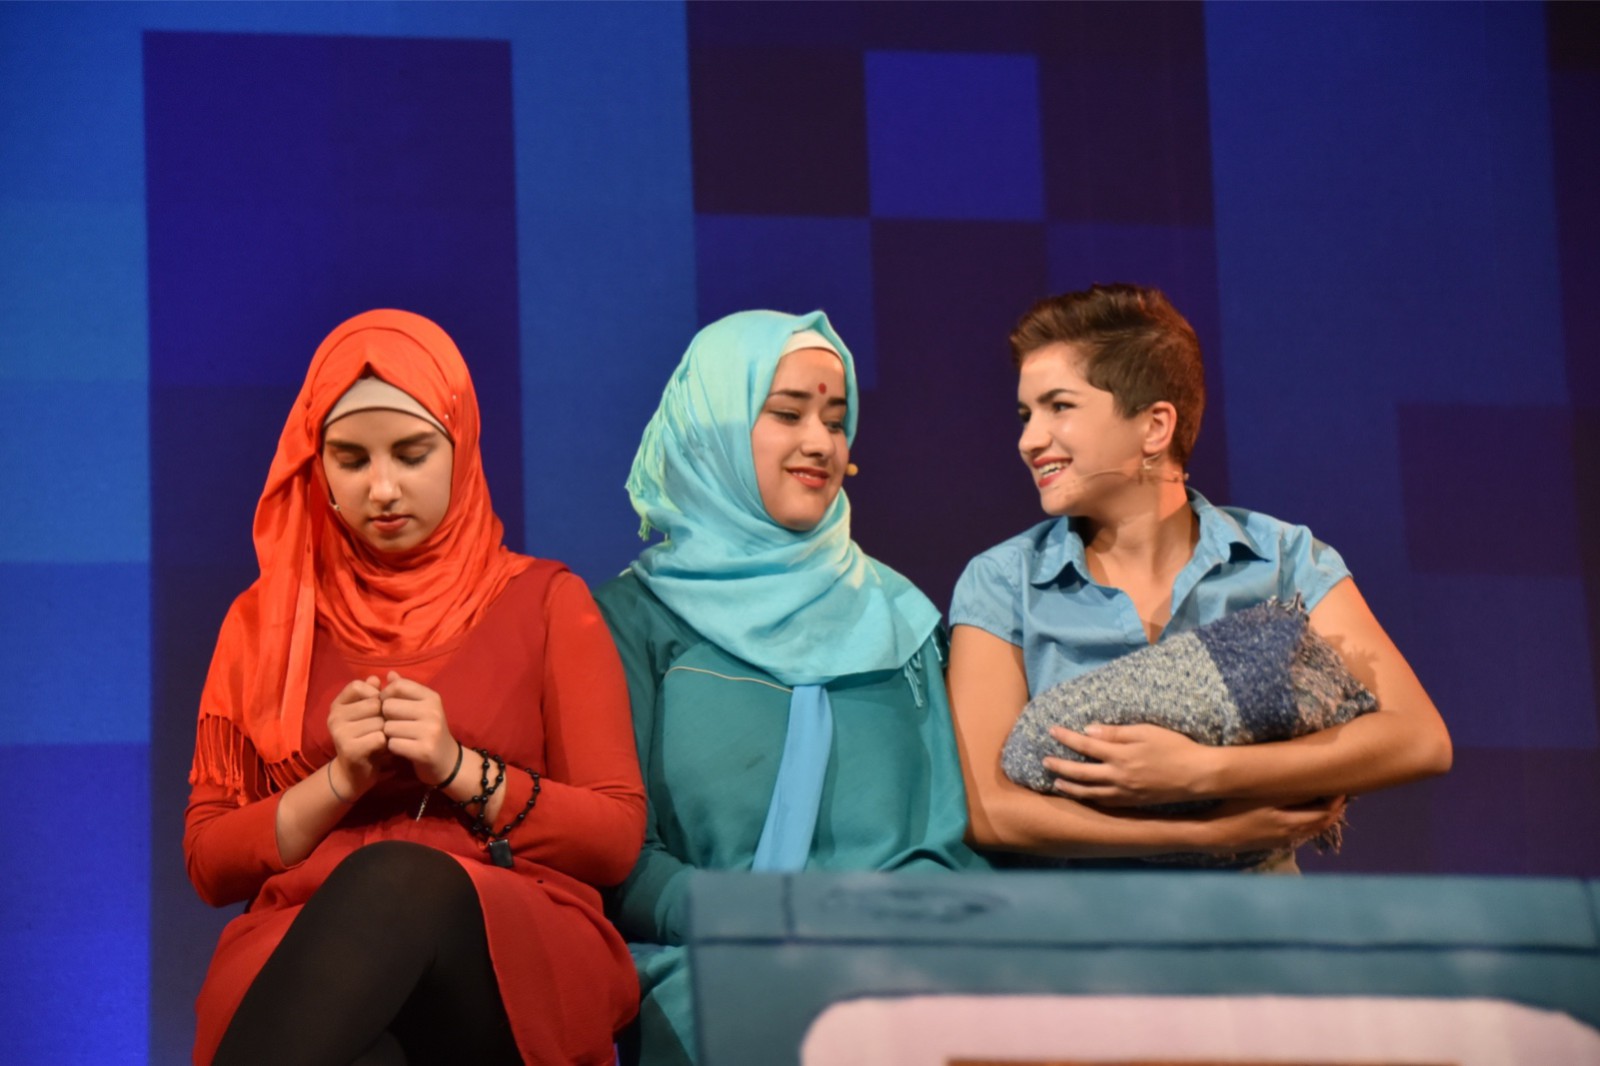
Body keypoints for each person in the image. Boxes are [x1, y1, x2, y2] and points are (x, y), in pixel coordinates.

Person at [183, 309, 646, 1065]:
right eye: (350, 459)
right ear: (317, 465)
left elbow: (614, 837)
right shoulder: (265, 621)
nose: (383, 488)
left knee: (395, 878)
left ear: (459, 446)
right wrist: (338, 782)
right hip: (303, 937)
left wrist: (458, 768)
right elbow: (210, 860)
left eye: (411, 453)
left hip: (507, 933)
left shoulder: (546, 601)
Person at [594, 309, 985, 1066]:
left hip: (902, 971)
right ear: (712, 426)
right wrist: (752, 919)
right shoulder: (629, 620)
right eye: (786, 413)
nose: (820, 443)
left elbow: (948, 837)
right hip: (706, 967)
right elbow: (620, 856)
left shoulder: (901, 618)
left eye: (836, 422)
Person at [948, 284, 1452, 871]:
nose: (1029, 440)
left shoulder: (1283, 559)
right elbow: (987, 810)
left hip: (1257, 921)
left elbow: (1419, 739)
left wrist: (1204, 772)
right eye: (1026, 414)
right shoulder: (1003, 582)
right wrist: (1208, 832)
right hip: (1079, 924)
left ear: (1155, 426)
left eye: (1059, 407)